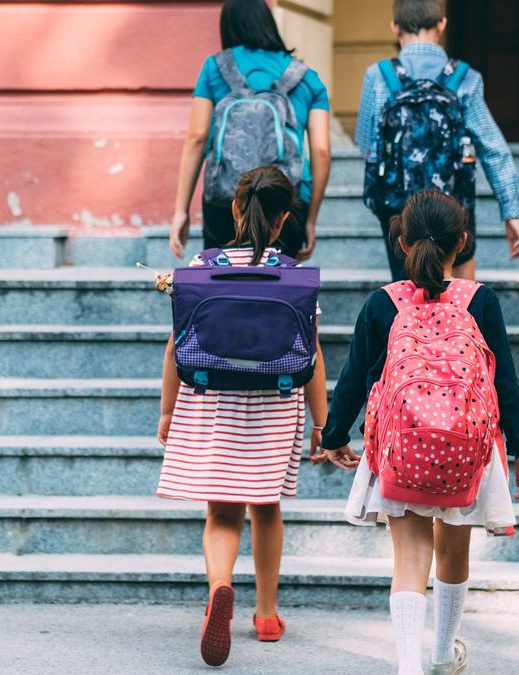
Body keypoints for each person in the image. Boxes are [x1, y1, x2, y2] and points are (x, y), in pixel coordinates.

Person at [319, 190, 519, 675]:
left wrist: (334, 435)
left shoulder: (382, 303)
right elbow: (504, 378)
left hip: (400, 445)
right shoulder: (480, 299)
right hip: (469, 447)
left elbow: (355, 377)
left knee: (410, 557)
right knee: (453, 551)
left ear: (400, 242)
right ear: (462, 241)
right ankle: (442, 654)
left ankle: (408, 667)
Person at [157, 167, 328, 667]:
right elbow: (313, 354)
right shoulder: (294, 277)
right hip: (275, 402)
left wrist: (168, 409)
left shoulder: (200, 265)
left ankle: (219, 588)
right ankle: (268, 613)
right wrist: (323, 423)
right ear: (283, 220)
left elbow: (175, 344)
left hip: (211, 400)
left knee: (222, 511)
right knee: (266, 506)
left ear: (234, 209)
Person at [356, 0, 519, 282]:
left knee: (406, 296)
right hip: (454, 209)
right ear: (442, 24)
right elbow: (494, 149)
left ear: (395, 27)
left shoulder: (379, 75)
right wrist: (510, 212)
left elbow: (365, 143)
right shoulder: (465, 77)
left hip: (400, 212)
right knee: (462, 296)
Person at [169, 0, 331, 261]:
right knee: (280, 285)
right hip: (285, 202)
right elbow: (322, 151)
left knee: (220, 281)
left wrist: (181, 211)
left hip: (225, 200)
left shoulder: (215, 68)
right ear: (269, 24)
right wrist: (310, 220)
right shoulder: (306, 77)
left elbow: (197, 138)